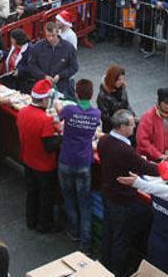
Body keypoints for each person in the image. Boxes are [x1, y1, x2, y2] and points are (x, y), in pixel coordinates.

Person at [97, 109, 160, 277]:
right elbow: (143, 167)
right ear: (123, 127)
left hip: (107, 194)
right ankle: (118, 271)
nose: (134, 127)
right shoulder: (124, 150)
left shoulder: (104, 141)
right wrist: (164, 170)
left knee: (108, 232)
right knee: (121, 238)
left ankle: (105, 265)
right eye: (132, 125)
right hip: (121, 200)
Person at [57, 79, 101, 253]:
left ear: (76, 93)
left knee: (69, 198)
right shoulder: (95, 114)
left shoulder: (69, 110)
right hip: (84, 162)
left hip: (66, 160)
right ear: (91, 95)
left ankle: (74, 232)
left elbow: (58, 116)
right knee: (85, 203)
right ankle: (86, 244)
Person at [17, 79, 62, 234]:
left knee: (31, 191)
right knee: (45, 195)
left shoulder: (23, 112)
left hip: (28, 159)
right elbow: (50, 146)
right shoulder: (45, 120)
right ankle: (44, 224)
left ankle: (31, 220)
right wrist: (60, 136)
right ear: (43, 99)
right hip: (43, 164)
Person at [25, 21, 79, 98]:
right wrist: (43, 76)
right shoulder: (38, 47)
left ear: (58, 33)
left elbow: (74, 67)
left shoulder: (68, 48)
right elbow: (32, 65)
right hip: (43, 85)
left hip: (62, 86)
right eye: (48, 35)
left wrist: (60, 75)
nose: (50, 38)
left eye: (53, 35)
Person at [136, 88, 168, 162]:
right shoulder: (148, 117)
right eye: (166, 103)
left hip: (167, 158)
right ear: (159, 102)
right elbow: (142, 141)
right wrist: (158, 155)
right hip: (150, 160)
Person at [97, 65, 132, 133]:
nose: (121, 81)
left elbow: (127, 104)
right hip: (111, 129)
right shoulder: (102, 96)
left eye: (123, 78)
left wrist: (133, 116)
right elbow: (105, 117)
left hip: (124, 123)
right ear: (112, 80)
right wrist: (121, 122)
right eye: (119, 79)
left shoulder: (122, 88)